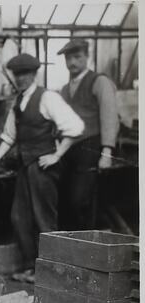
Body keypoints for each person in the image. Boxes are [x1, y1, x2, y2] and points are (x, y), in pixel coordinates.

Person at [0, 53, 84, 283]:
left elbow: (76, 127)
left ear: (34, 74)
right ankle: (30, 268)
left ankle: (51, 271)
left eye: (25, 74)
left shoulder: (47, 98)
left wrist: (57, 155)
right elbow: (9, 136)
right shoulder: (18, 102)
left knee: (44, 219)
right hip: (25, 168)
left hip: (43, 168)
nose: (20, 79)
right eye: (17, 75)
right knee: (19, 217)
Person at [58, 38, 120, 229]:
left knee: (81, 201)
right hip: (69, 151)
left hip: (91, 149)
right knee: (66, 201)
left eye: (77, 57)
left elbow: (110, 117)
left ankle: (87, 246)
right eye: (69, 58)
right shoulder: (65, 89)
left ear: (87, 57)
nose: (72, 63)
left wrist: (106, 153)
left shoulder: (99, 81)